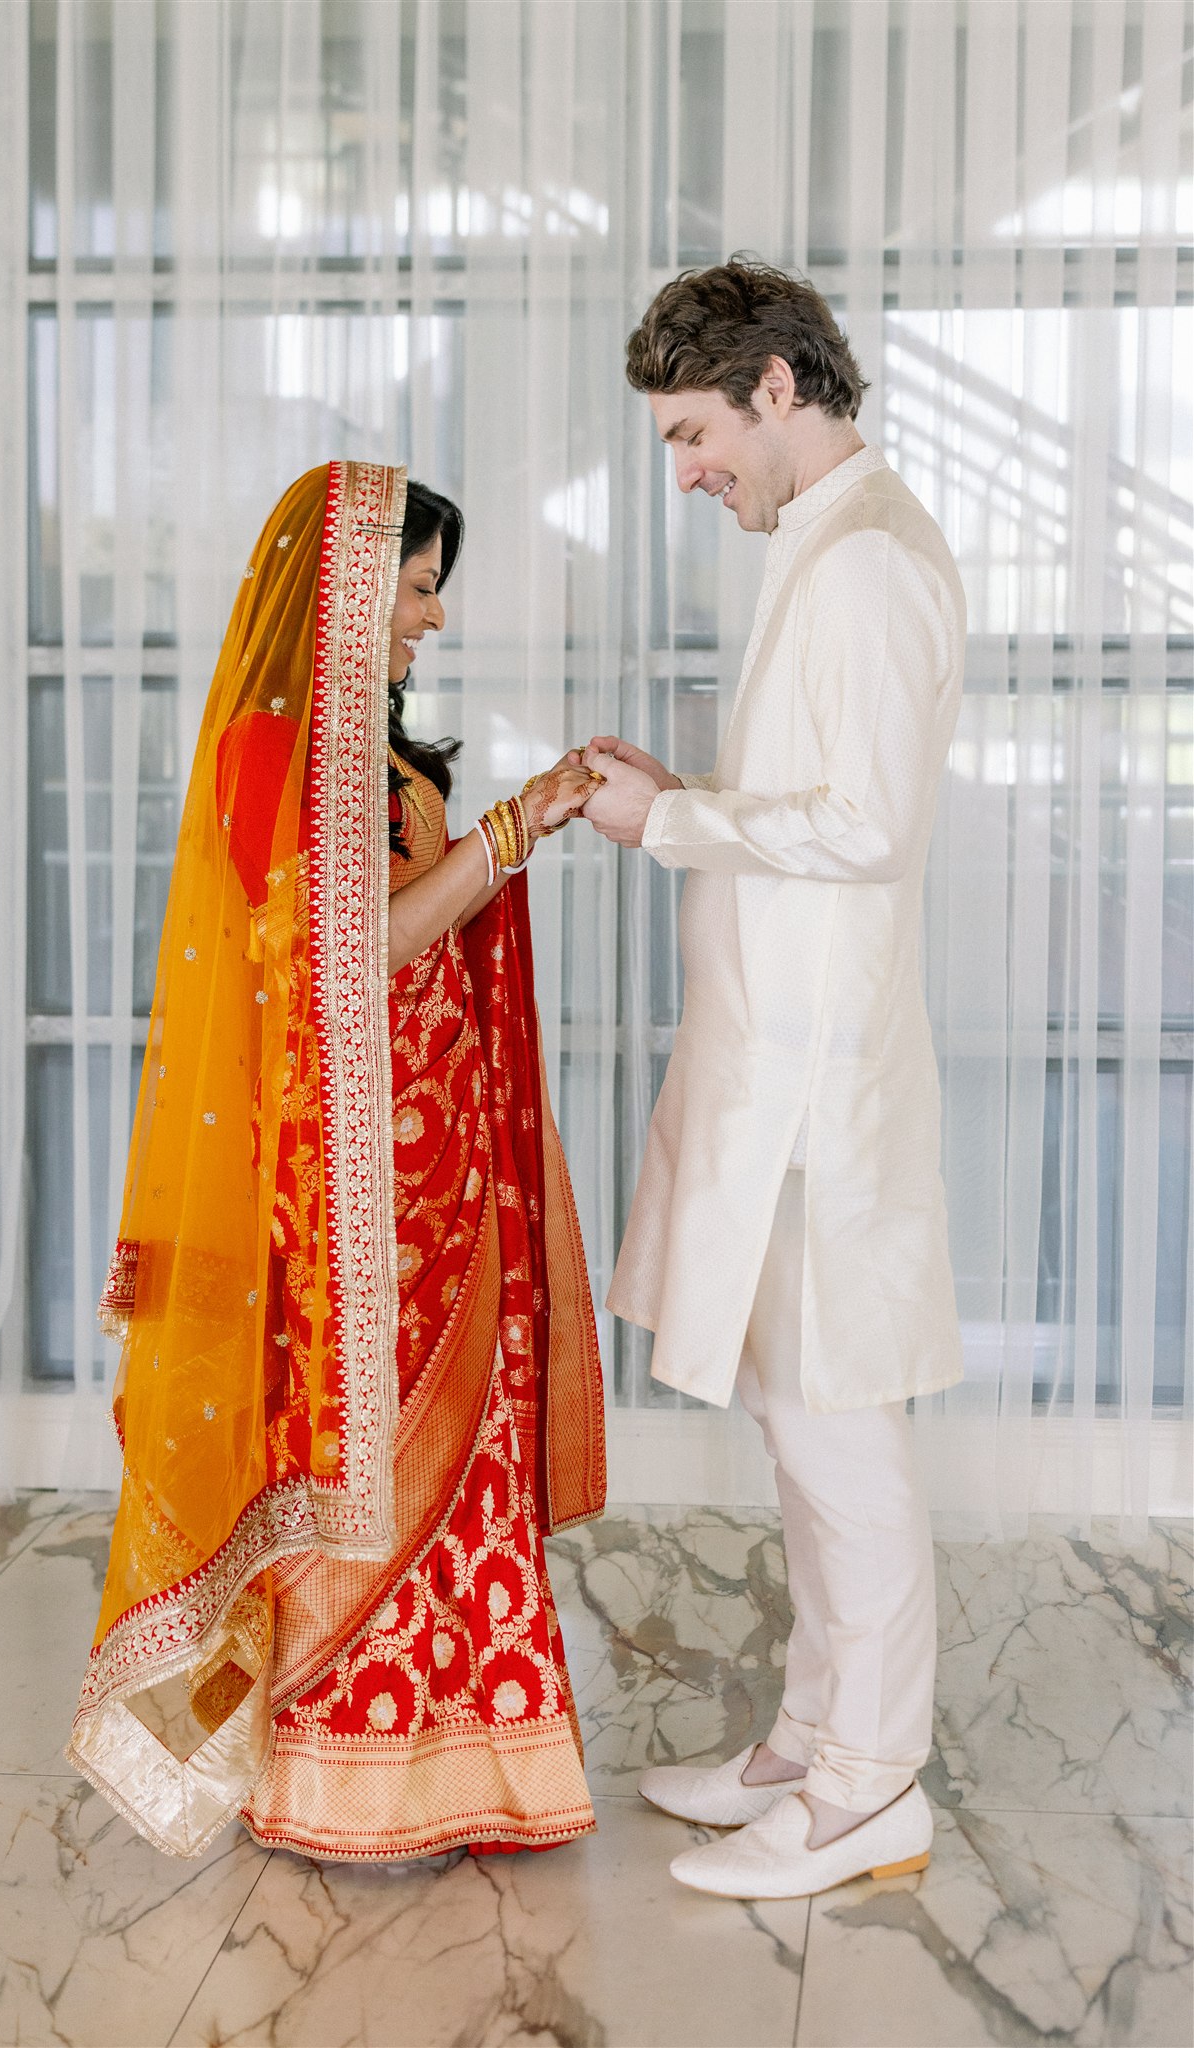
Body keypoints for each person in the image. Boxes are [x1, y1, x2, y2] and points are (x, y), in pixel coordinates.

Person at [69, 461, 607, 1862]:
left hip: (435, 1162)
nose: (430, 619)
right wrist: (514, 826)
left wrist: (503, 827)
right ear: (355, 586)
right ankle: (340, 1773)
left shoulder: (362, 755)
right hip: (349, 1180)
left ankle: (476, 1759)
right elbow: (351, 957)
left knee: (460, 1451)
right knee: (357, 1448)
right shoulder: (268, 753)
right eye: (417, 587)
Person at [582, 259, 966, 1900]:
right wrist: (701, 792)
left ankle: (874, 1784)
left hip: (818, 1086)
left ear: (777, 389)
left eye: (689, 434)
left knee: (837, 1436)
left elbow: (870, 830)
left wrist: (667, 822)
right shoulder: (824, 543)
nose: (683, 472)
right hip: (776, 1070)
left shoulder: (868, 562)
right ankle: (814, 1741)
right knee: (795, 1425)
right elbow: (819, 794)